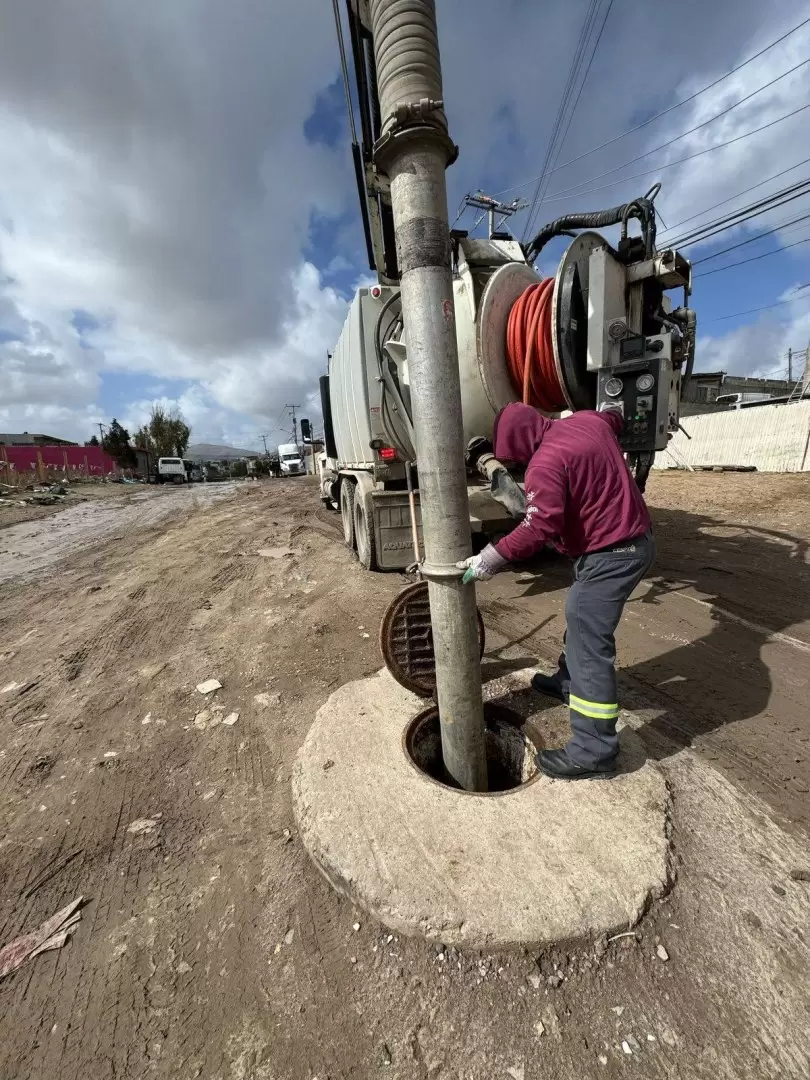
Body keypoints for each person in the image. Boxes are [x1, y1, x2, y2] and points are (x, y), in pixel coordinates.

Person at [458, 402, 655, 781]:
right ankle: (568, 682)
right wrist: (614, 406)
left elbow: (538, 526)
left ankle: (594, 750)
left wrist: (491, 557)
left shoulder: (544, 464)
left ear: (516, 443)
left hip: (613, 552)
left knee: (586, 636)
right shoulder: (587, 421)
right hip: (634, 540)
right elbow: (615, 415)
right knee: (580, 614)